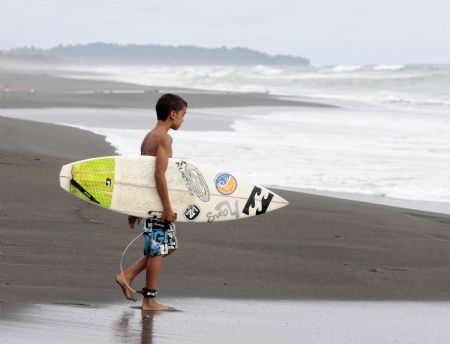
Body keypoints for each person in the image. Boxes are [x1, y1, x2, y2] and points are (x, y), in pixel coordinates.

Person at [115, 93, 187, 311]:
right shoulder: (164, 139)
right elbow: (158, 174)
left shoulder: (148, 137)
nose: (183, 119)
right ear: (172, 113)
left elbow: (140, 176)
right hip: (158, 203)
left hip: (149, 202)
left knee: (168, 247)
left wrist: (134, 207)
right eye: (183, 114)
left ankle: (127, 275)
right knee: (158, 250)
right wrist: (166, 207)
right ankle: (149, 301)